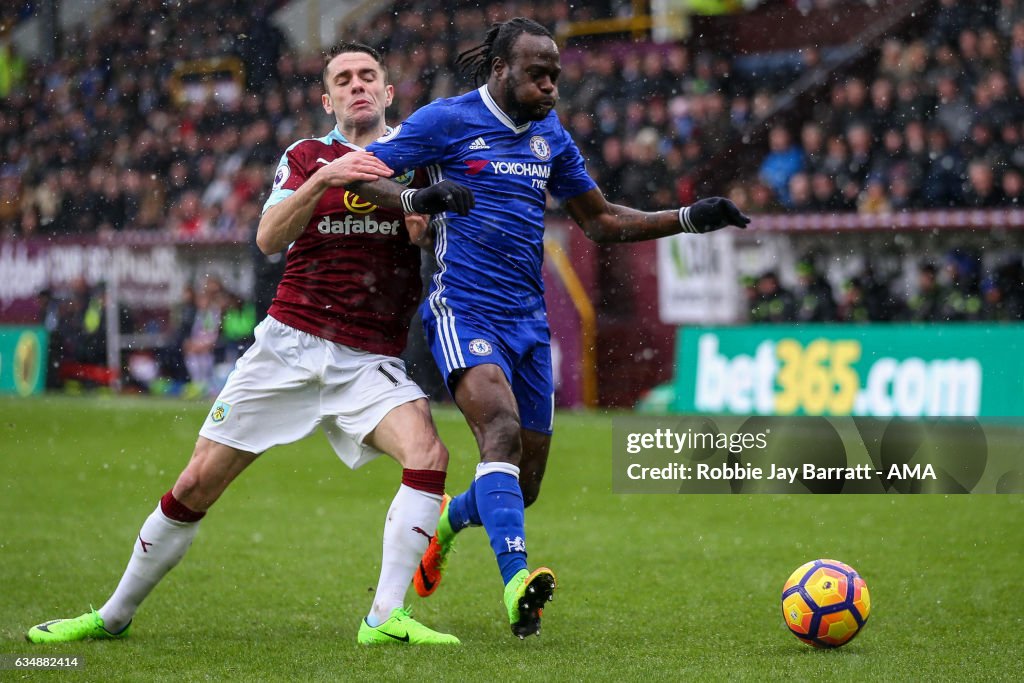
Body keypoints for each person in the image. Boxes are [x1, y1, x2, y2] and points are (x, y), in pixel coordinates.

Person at [25, 42, 475, 647]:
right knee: (194, 485)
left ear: (389, 93)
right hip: (289, 344)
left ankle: (384, 618)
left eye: (369, 75)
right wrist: (324, 178)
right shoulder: (306, 155)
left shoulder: (417, 161)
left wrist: (422, 233)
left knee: (429, 454)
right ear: (328, 98)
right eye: (343, 79)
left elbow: (435, 246)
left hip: (369, 358)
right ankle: (112, 615)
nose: (357, 85)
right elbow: (267, 237)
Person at [358, 17, 749, 640]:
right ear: (499, 71)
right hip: (464, 308)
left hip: (528, 323)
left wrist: (689, 217)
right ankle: (516, 586)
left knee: (523, 484)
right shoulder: (445, 121)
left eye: (555, 76)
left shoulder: (550, 134)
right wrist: (417, 200)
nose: (549, 87)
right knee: (501, 432)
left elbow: (600, 221)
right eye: (537, 74)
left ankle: (450, 525)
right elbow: (362, 174)